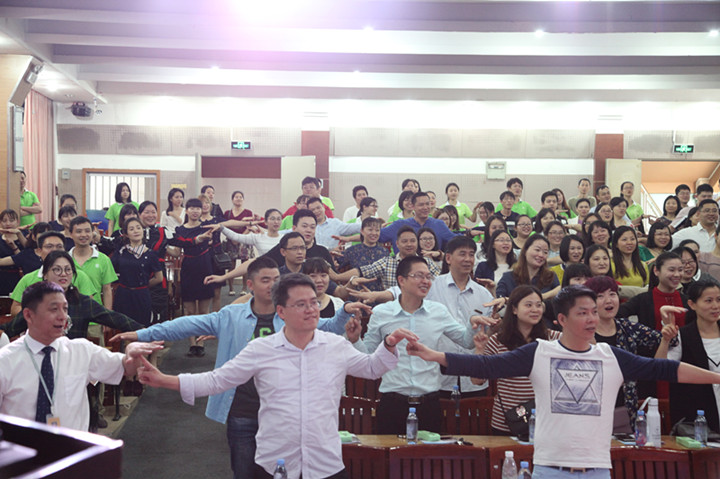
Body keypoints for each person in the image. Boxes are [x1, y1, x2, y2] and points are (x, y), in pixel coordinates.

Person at [407, 284, 720, 478]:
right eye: (582, 313)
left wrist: (717, 378)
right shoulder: (539, 352)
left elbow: (666, 370)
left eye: (593, 312)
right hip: (548, 468)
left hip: (599, 469)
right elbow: (486, 365)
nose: (592, 319)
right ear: (561, 320)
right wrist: (434, 355)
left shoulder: (610, 355)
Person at [112, 258, 371, 479]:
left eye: (277, 279)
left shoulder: (295, 316)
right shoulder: (231, 316)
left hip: (286, 415)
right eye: (266, 280)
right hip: (244, 410)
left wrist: (344, 312)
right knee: (245, 472)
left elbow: (329, 328)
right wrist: (142, 333)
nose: (273, 285)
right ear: (250, 285)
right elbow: (187, 324)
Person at [0, 281, 160, 431]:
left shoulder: (80, 351)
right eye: (54, 309)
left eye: (65, 309)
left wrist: (133, 354)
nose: (63, 316)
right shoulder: (5, 360)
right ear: (28, 315)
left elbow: (126, 367)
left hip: (73, 448)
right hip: (21, 449)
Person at [356, 256, 480, 434]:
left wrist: (473, 323)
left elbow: (466, 341)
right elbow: (367, 355)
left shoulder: (438, 311)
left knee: (430, 452)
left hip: (429, 403)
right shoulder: (381, 313)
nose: (426, 281)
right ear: (401, 280)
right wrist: (355, 339)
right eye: (419, 276)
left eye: (428, 277)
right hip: (392, 404)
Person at [585, 275, 678, 430]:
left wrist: (666, 338)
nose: (608, 300)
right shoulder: (582, 331)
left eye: (612, 294)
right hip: (590, 410)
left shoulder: (628, 328)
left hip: (626, 410)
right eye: (600, 296)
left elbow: (667, 346)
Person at [472, 285, 561, 435]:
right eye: (528, 305)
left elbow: (587, 346)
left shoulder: (552, 338)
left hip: (545, 421)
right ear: (514, 309)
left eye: (539, 305)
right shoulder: (498, 341)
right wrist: (480, 350)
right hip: (505, 422)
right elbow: (477, 380)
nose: (535, 309)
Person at [2, 251, 144, 339]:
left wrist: (146, 331)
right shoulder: (37, 303)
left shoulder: (82, 302)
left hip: (73, 363)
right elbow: (10, 329)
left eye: (68, 270)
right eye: (57, 270)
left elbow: (115, 319)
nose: (63, 274)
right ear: (45, 275)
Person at [661, 281, 720, 433]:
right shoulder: (684, 335)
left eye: (719, 300)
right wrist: (665, 340)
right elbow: (660, 368)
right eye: (708, 301)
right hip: (697, 422)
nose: (715, 306)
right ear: (692, 304)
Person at [9, 232, 97, 316]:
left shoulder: (79, 276)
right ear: (39, 251)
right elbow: (15, 309)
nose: (54, 250)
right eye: (49, 246)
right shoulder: (28, 279)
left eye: (59, 246)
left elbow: (89, 307)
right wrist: (39, 314)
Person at [169, 198, 215, 357]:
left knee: (203, 310)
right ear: (186, 210)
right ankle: (192, 344)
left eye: (198, 208)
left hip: (205, 267)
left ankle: (201, 343)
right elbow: (176, 252)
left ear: (202, 210)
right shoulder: (180, 229)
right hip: (188, 268)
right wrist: (163, 246)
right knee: (189, 310)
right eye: (192, 208)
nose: (195, 211)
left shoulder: (207, 227)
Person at [332, 226, 440, 290]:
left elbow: (440, 283)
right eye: (404, 241)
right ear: (397, 244)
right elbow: (361, 271)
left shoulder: (427, 262)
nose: (409, 244)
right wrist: (337, 277)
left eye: (412, 241)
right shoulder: (387, 262)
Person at [112, 218, 164, 327]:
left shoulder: (151, 254)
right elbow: (112, 272)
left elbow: (159, 278)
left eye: (138, 228)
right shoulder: (121, 252)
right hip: (123, 295)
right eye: (131, 229)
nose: (136, 231)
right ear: (126, 234)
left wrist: (143, 285)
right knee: (123, 327)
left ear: (143, 231)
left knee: (141, 328)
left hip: (141, 295)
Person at [138, 200, 178, 324]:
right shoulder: (133, 231)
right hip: (138, 276)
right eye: (147, 212)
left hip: (159, 275)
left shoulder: (163, 231)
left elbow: (178, 245)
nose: (151, 215)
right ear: (139, 214)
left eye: (153, 212)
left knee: (159, 310)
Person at [68, 216, 117, 308]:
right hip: (69, 312)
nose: (83, 235)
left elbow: (107, 290)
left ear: (92, 233)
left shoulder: (103, 259)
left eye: (87, 231)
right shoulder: (65, 260)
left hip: (95, 313)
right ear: (71, 234)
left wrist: (107, 314)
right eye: (78, 231)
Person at [496, 235, 559, 300]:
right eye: (537, 250)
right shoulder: (508, 277)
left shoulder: (550, 276)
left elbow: (560, 294)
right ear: (525, 251)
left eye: (545, 252)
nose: (541, 255)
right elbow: (499, 299)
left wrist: (544, 296)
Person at [335, 217, 388, 292]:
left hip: (378, 295)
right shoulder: (352, 250)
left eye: (377, 230)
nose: (374, 233)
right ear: (362, 231)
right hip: (356, 294)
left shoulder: (384, 252)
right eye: (370, 230)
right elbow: (334, 265)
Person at [216, 208, 282, 257]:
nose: (276, 222)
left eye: (279, 219)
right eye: (272, 219)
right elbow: (235, 236)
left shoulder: (284, 238)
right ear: (265, 222)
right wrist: (221, 228)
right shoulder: (257, 237)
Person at [0, 209, 25, 295]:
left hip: (19, 276)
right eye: (4, 221)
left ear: (17, 222)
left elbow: (24, 259)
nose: (8, 224)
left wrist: (14, 247)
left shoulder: (23, 237)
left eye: (11, 220)